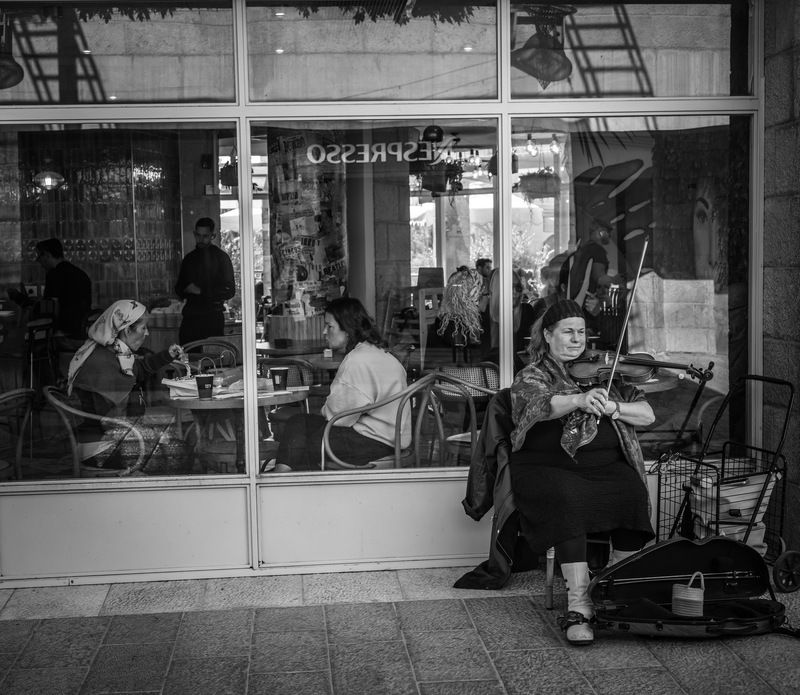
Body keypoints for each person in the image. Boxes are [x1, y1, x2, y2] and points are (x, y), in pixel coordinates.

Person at [509, 299, 655, 645]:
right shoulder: (534, 374)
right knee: (569, 499)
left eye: (582, 332)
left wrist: (615, 406)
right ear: (547, 335)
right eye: (568, 332)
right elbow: (537, 406)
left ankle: (613, 588)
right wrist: (577, 400)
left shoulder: (607, 375)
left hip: (604, 467)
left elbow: (647, 415)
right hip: (547, 466)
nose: (577, 339)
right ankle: (579, 605)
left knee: (632, 492)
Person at [275, 298, 409, 471]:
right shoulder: (379, 353)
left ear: (347, 329)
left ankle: (283, 481)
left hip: (373, 442)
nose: (324, 331)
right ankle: (283, 475)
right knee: (300, 423)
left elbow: (336, 417)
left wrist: (325, 411)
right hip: (392, 437)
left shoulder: (356, 361)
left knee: (309, 440)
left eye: (329, 326)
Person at [66, 300, 189, 473]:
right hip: (100, 449)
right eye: (143, 328)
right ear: (126, 330)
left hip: (114, 437)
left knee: (174, 445)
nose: (147, 333)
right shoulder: (101, 364)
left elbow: (140, 369)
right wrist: (151, 433)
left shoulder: (115, 353)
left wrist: (167, 356)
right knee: (178, 453)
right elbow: (110, 423)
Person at [8, 238, 92, 340]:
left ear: (47, 255)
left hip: (63, 331)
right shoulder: (81, 274)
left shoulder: (54, 274)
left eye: (39, 256)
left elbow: (48, 309)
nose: (38, 261)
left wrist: (21, 300)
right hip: (82, 330)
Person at [175, 217, 235, 345]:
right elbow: (179, 287)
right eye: (198, 235)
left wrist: (201, 291)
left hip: (212, 318)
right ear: (194, 234)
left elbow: (230, 291)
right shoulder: (189, 259)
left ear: (213, 235)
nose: (201, 239)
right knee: (189, 357)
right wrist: (185, 289)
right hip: (191, 319)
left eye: (205, 236)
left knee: (212, 358)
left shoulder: (221, 258)